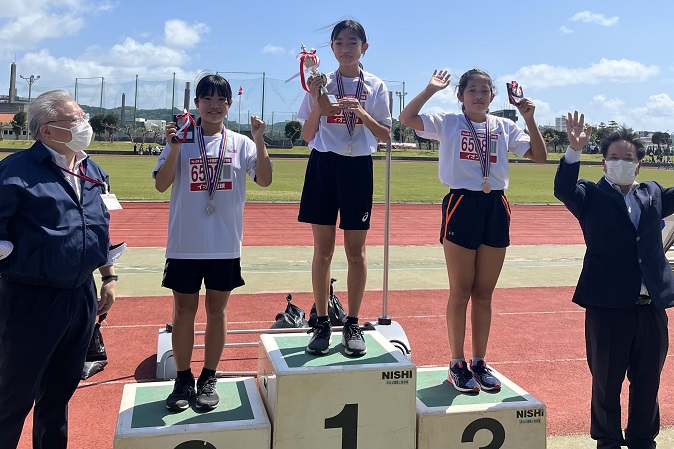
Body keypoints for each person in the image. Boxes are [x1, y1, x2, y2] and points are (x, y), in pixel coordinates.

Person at [399, 69, 546, 392]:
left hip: (495, 206)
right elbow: (407, 118)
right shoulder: (448, 122)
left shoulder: (504, 127)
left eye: (484, 91)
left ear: (493, 97)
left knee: (484, 293)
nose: (478, 96)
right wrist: (429, 89)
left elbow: (539, 156)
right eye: (472, 90)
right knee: (460, 290)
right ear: (461, 95)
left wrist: (530, 120)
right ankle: (457, 363)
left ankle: (479, 361)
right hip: (461, 204)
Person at [0, 90, 117, 449]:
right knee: (13, 397)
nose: (85, 125)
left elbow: (100, 224)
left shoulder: (91, 169)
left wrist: (109, 276)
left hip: (79, 296)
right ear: (47, 131)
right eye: (75, 120)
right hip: (30, 298)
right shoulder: (15, 171)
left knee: (58, 396)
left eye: (83, 118)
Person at [554, 111, 674, 449]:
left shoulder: (652, 193)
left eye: (629, 158)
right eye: (614, 157)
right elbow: (562, 187)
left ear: (639, 165)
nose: (621, 162)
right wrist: (573, 150)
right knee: (606, 382)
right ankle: (607, 441)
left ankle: (642, 440)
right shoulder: (590, 196)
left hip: (651, 308)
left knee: (648, 381)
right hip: (608, 306)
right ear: (604, 163)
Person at [153, 74, 272, 412]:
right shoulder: (180, 140)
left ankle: (209, 376)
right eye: (207, 99)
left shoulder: (241, 143)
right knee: (183, 312)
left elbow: (264, 180)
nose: (214, 105)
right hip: (184, 244)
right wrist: (175, 148)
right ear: (197, 104)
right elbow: (162, 185)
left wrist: (260, 139)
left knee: (217, 312)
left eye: (221, 100)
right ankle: (182, 378)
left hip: (224, 244)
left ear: (229, 105)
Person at [297, 19, 391, 357]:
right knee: (323, 251)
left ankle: (352, 322)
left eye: (352, 42)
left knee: (356, 251)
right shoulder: (319, 84)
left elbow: (385, 135)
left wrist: (362, 113)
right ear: (332, 49)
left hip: (357, 169)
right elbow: (308, 136)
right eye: (339, 42)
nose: (345, 47)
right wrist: (319, 103)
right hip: (324, 165)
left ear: (364, 47)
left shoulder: (376, 86)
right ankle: (322, 321)